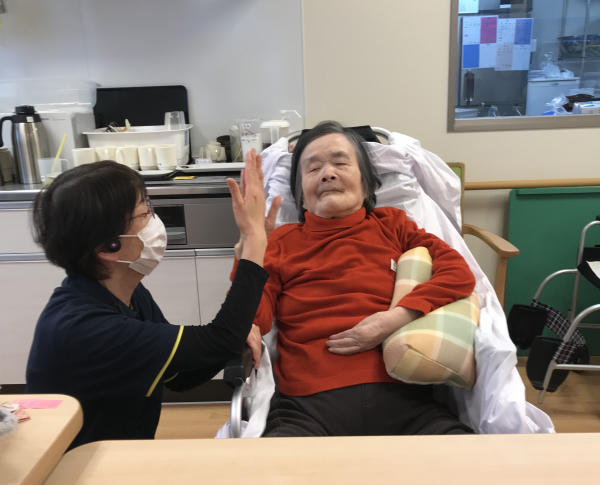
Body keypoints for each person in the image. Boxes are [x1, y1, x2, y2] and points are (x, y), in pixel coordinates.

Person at [232, 121, 477, 437]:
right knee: (273, 467)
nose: (327, 174)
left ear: (366, 186)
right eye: (313, 168)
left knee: (470, 459)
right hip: (306, 407)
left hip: (406, 399)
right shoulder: (281, 241)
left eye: (341, 163)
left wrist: (395, 319)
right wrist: (250, 250)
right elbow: (254, 315)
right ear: (301, 197)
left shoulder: (394, 226)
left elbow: (458, 273)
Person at [26, 151, 281, 448]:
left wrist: (233, 337)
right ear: (108, 247)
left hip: (120, 454)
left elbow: (179, 377)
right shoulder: (86, 328)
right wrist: (254, 241)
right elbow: (220, 339)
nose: (154, 218)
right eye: (144, 212)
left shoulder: (126, 295)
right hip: (72, 466)